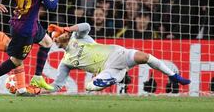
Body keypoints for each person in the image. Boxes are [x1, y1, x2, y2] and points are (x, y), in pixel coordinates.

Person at [47, 23, 190, 92]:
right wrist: (40, 89)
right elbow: (57, 85)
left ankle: (173, 76)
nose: (60, 34)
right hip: (107, 69)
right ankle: (112, 79)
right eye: (57, 35)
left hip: (116, 54)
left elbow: (86, 26)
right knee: (89, 86)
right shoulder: (65, 62)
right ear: (56, 42)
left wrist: (69, 29)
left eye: (60, 32)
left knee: (145, 57)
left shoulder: (78, 37)